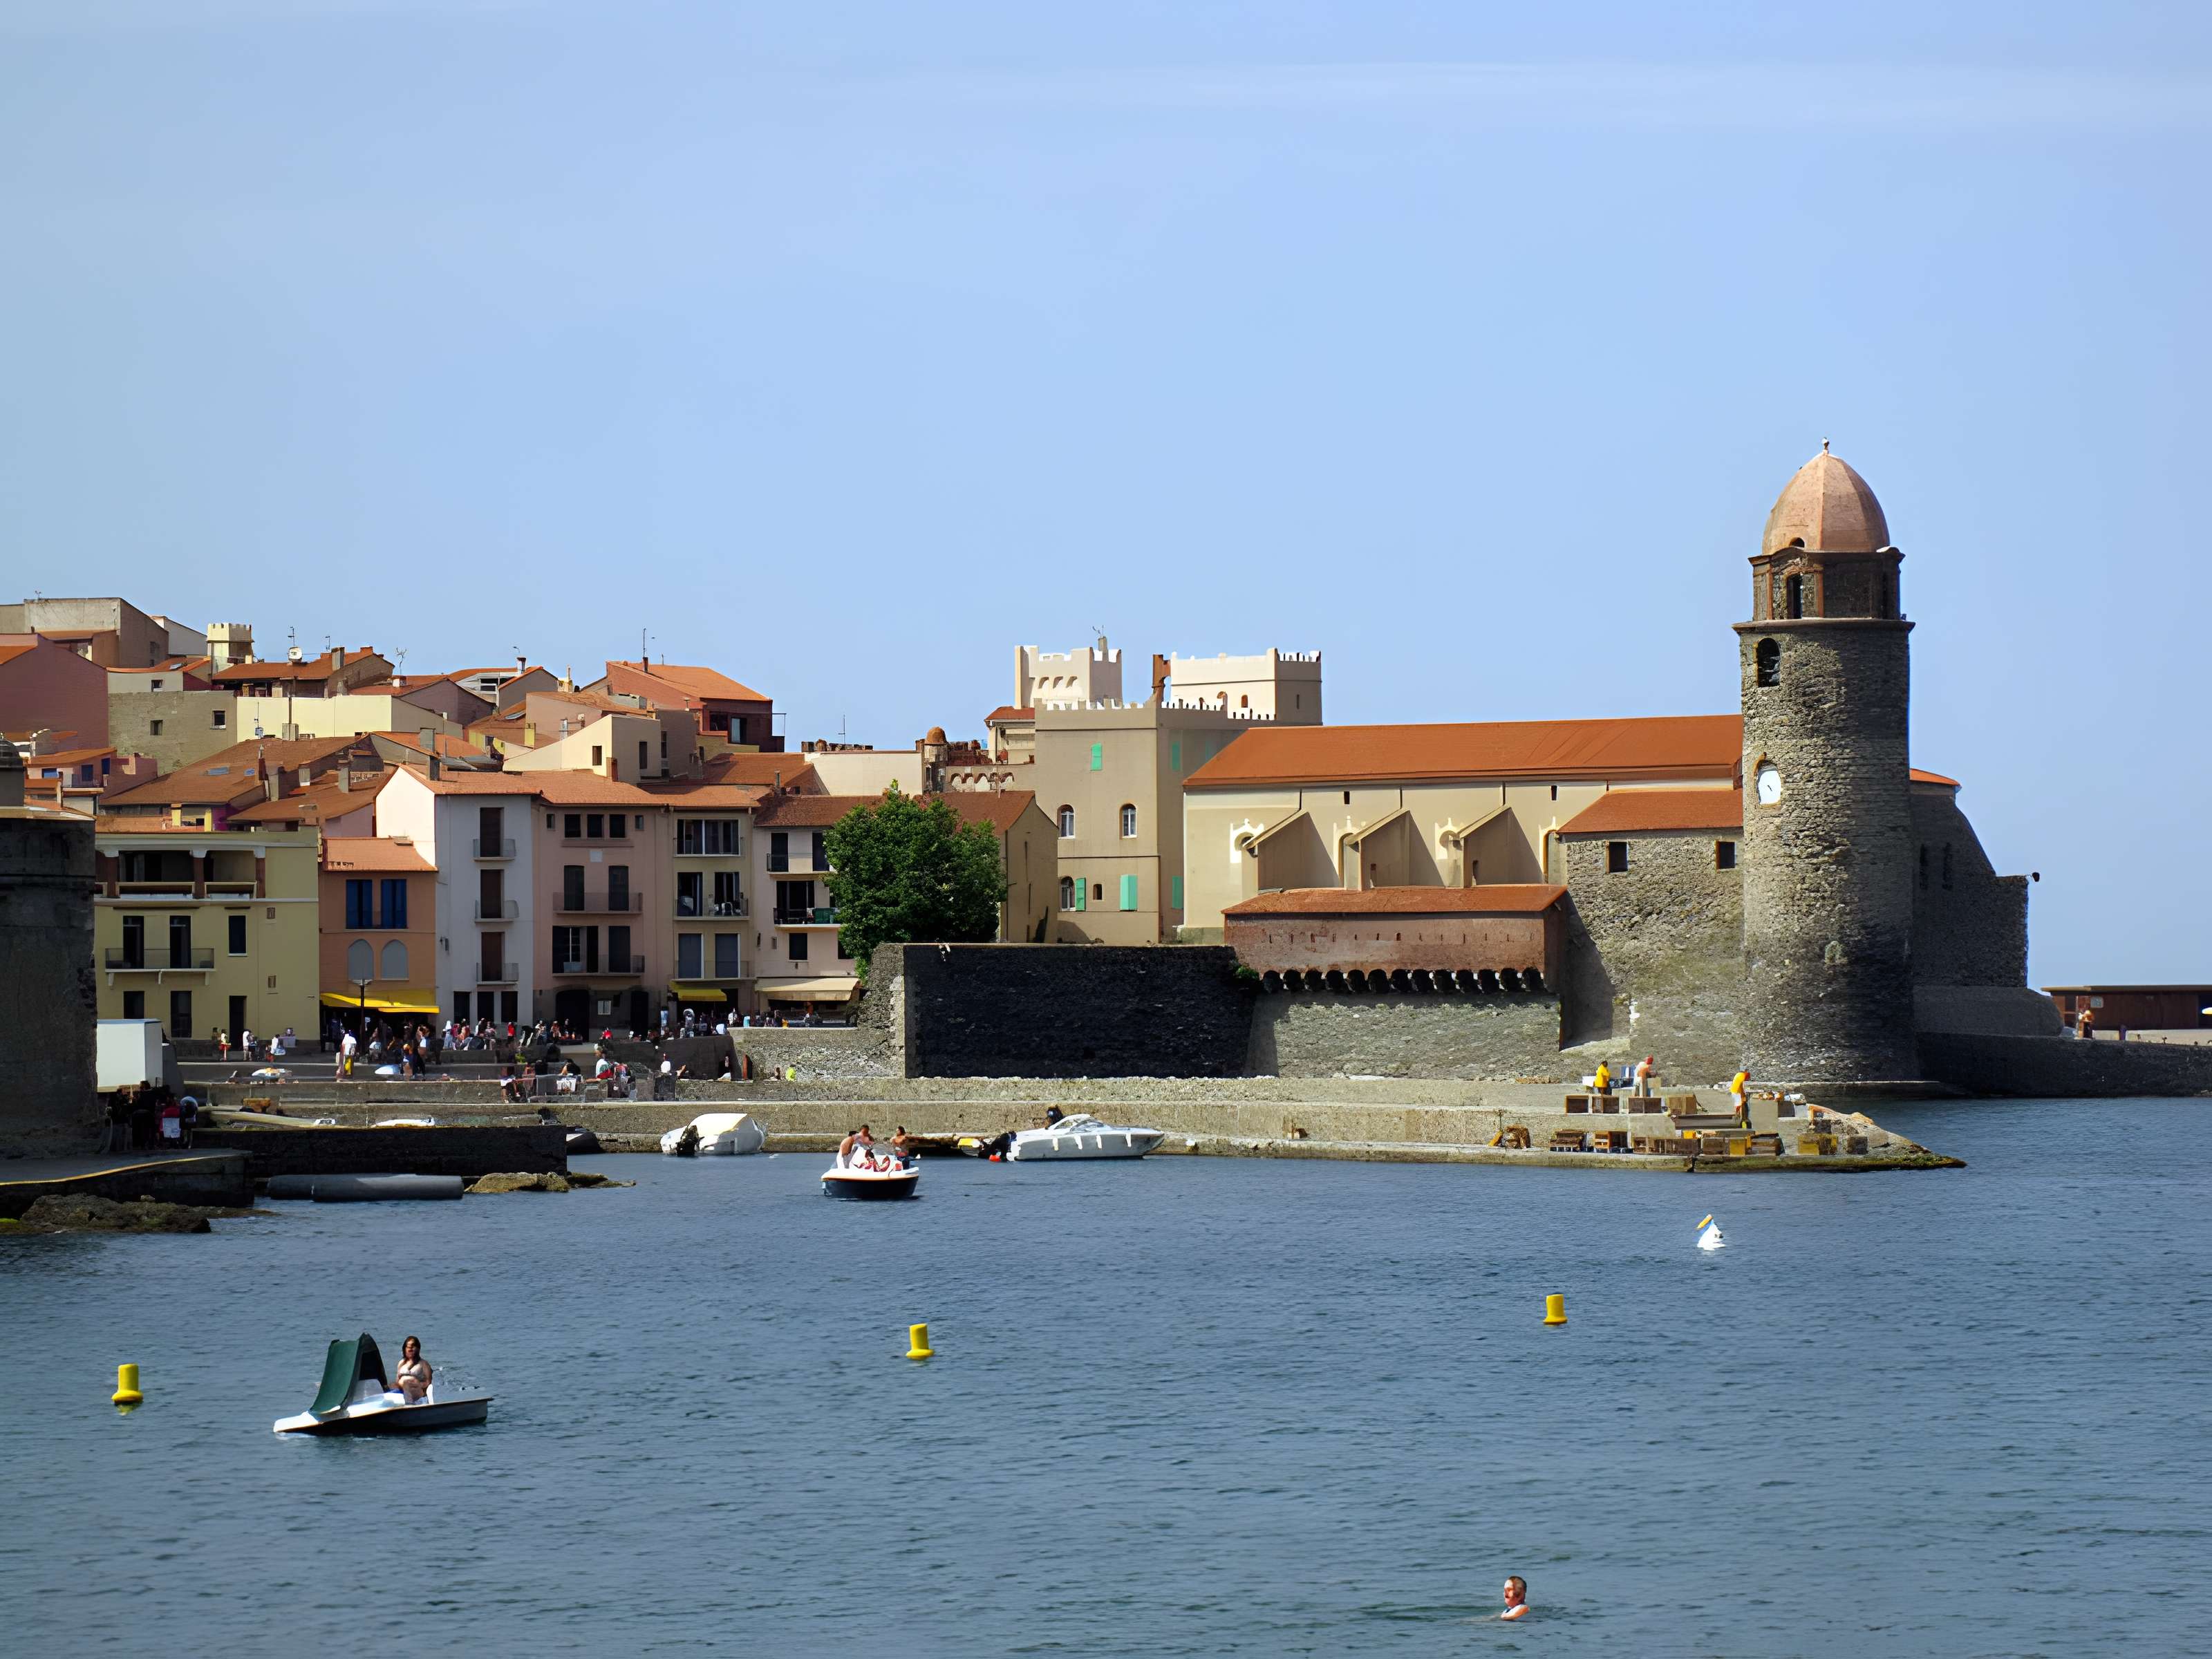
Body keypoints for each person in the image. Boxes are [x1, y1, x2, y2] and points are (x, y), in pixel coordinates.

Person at [393, 1335, 432, 1404]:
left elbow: (429, 1383)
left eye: (413, 1347)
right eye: (408, 1347)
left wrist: (414, 1384)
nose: (410, 1349)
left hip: (419, 1398)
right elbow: (398, 1381)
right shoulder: (401, 1363)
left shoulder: (424, 1364)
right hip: (404, 1396)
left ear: (418, 1349)